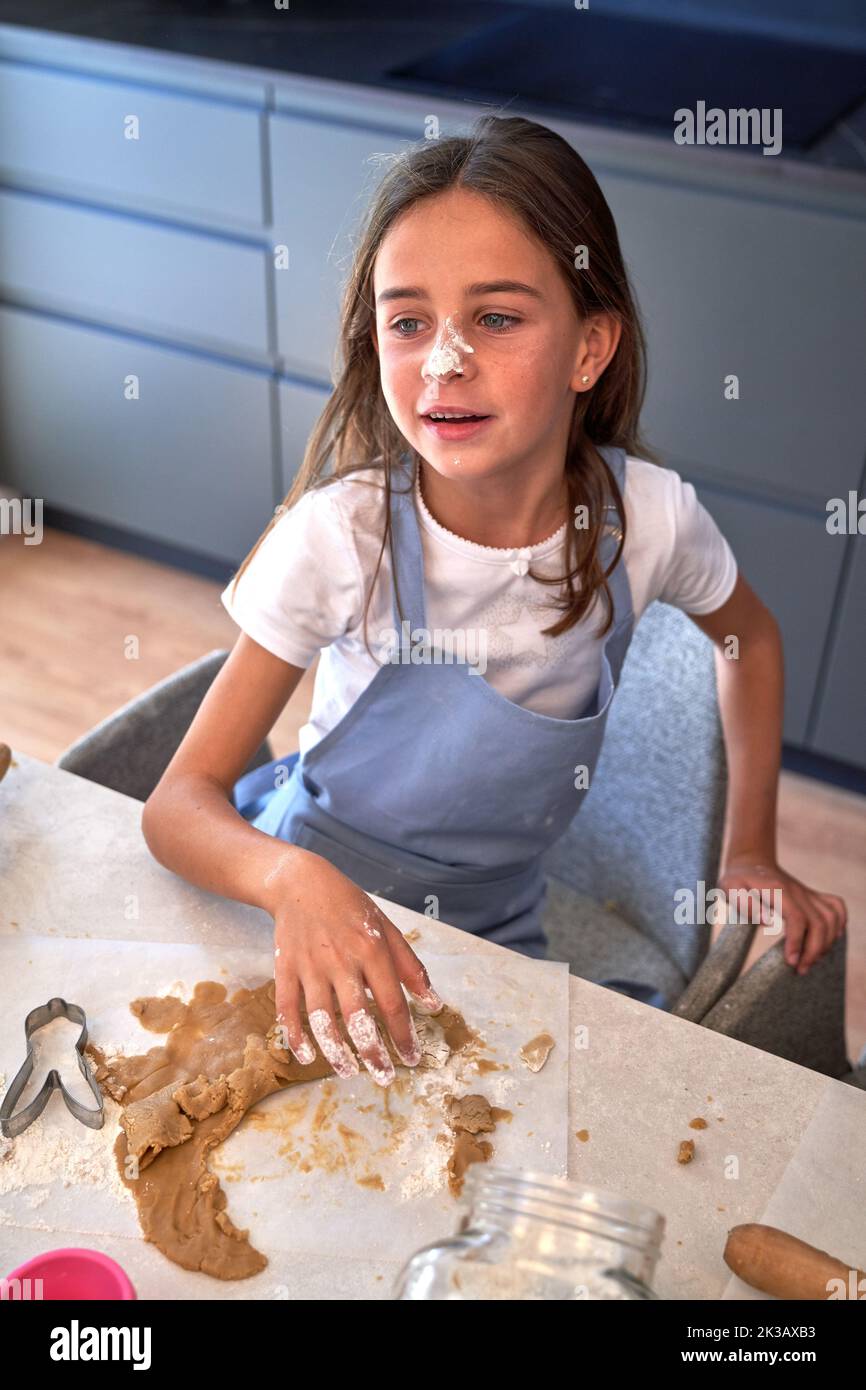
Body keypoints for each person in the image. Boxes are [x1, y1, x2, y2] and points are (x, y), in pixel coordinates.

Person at [142, 115, 847, 1087]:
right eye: (407, 321)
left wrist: (751, 851)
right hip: (294, 909)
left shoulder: (646, 520)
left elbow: (749, 641)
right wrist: (293, 881)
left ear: (588, 347)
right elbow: (177, 806)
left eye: (496, 318)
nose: (442, 362)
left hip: (489, 931)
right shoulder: (338, 537)